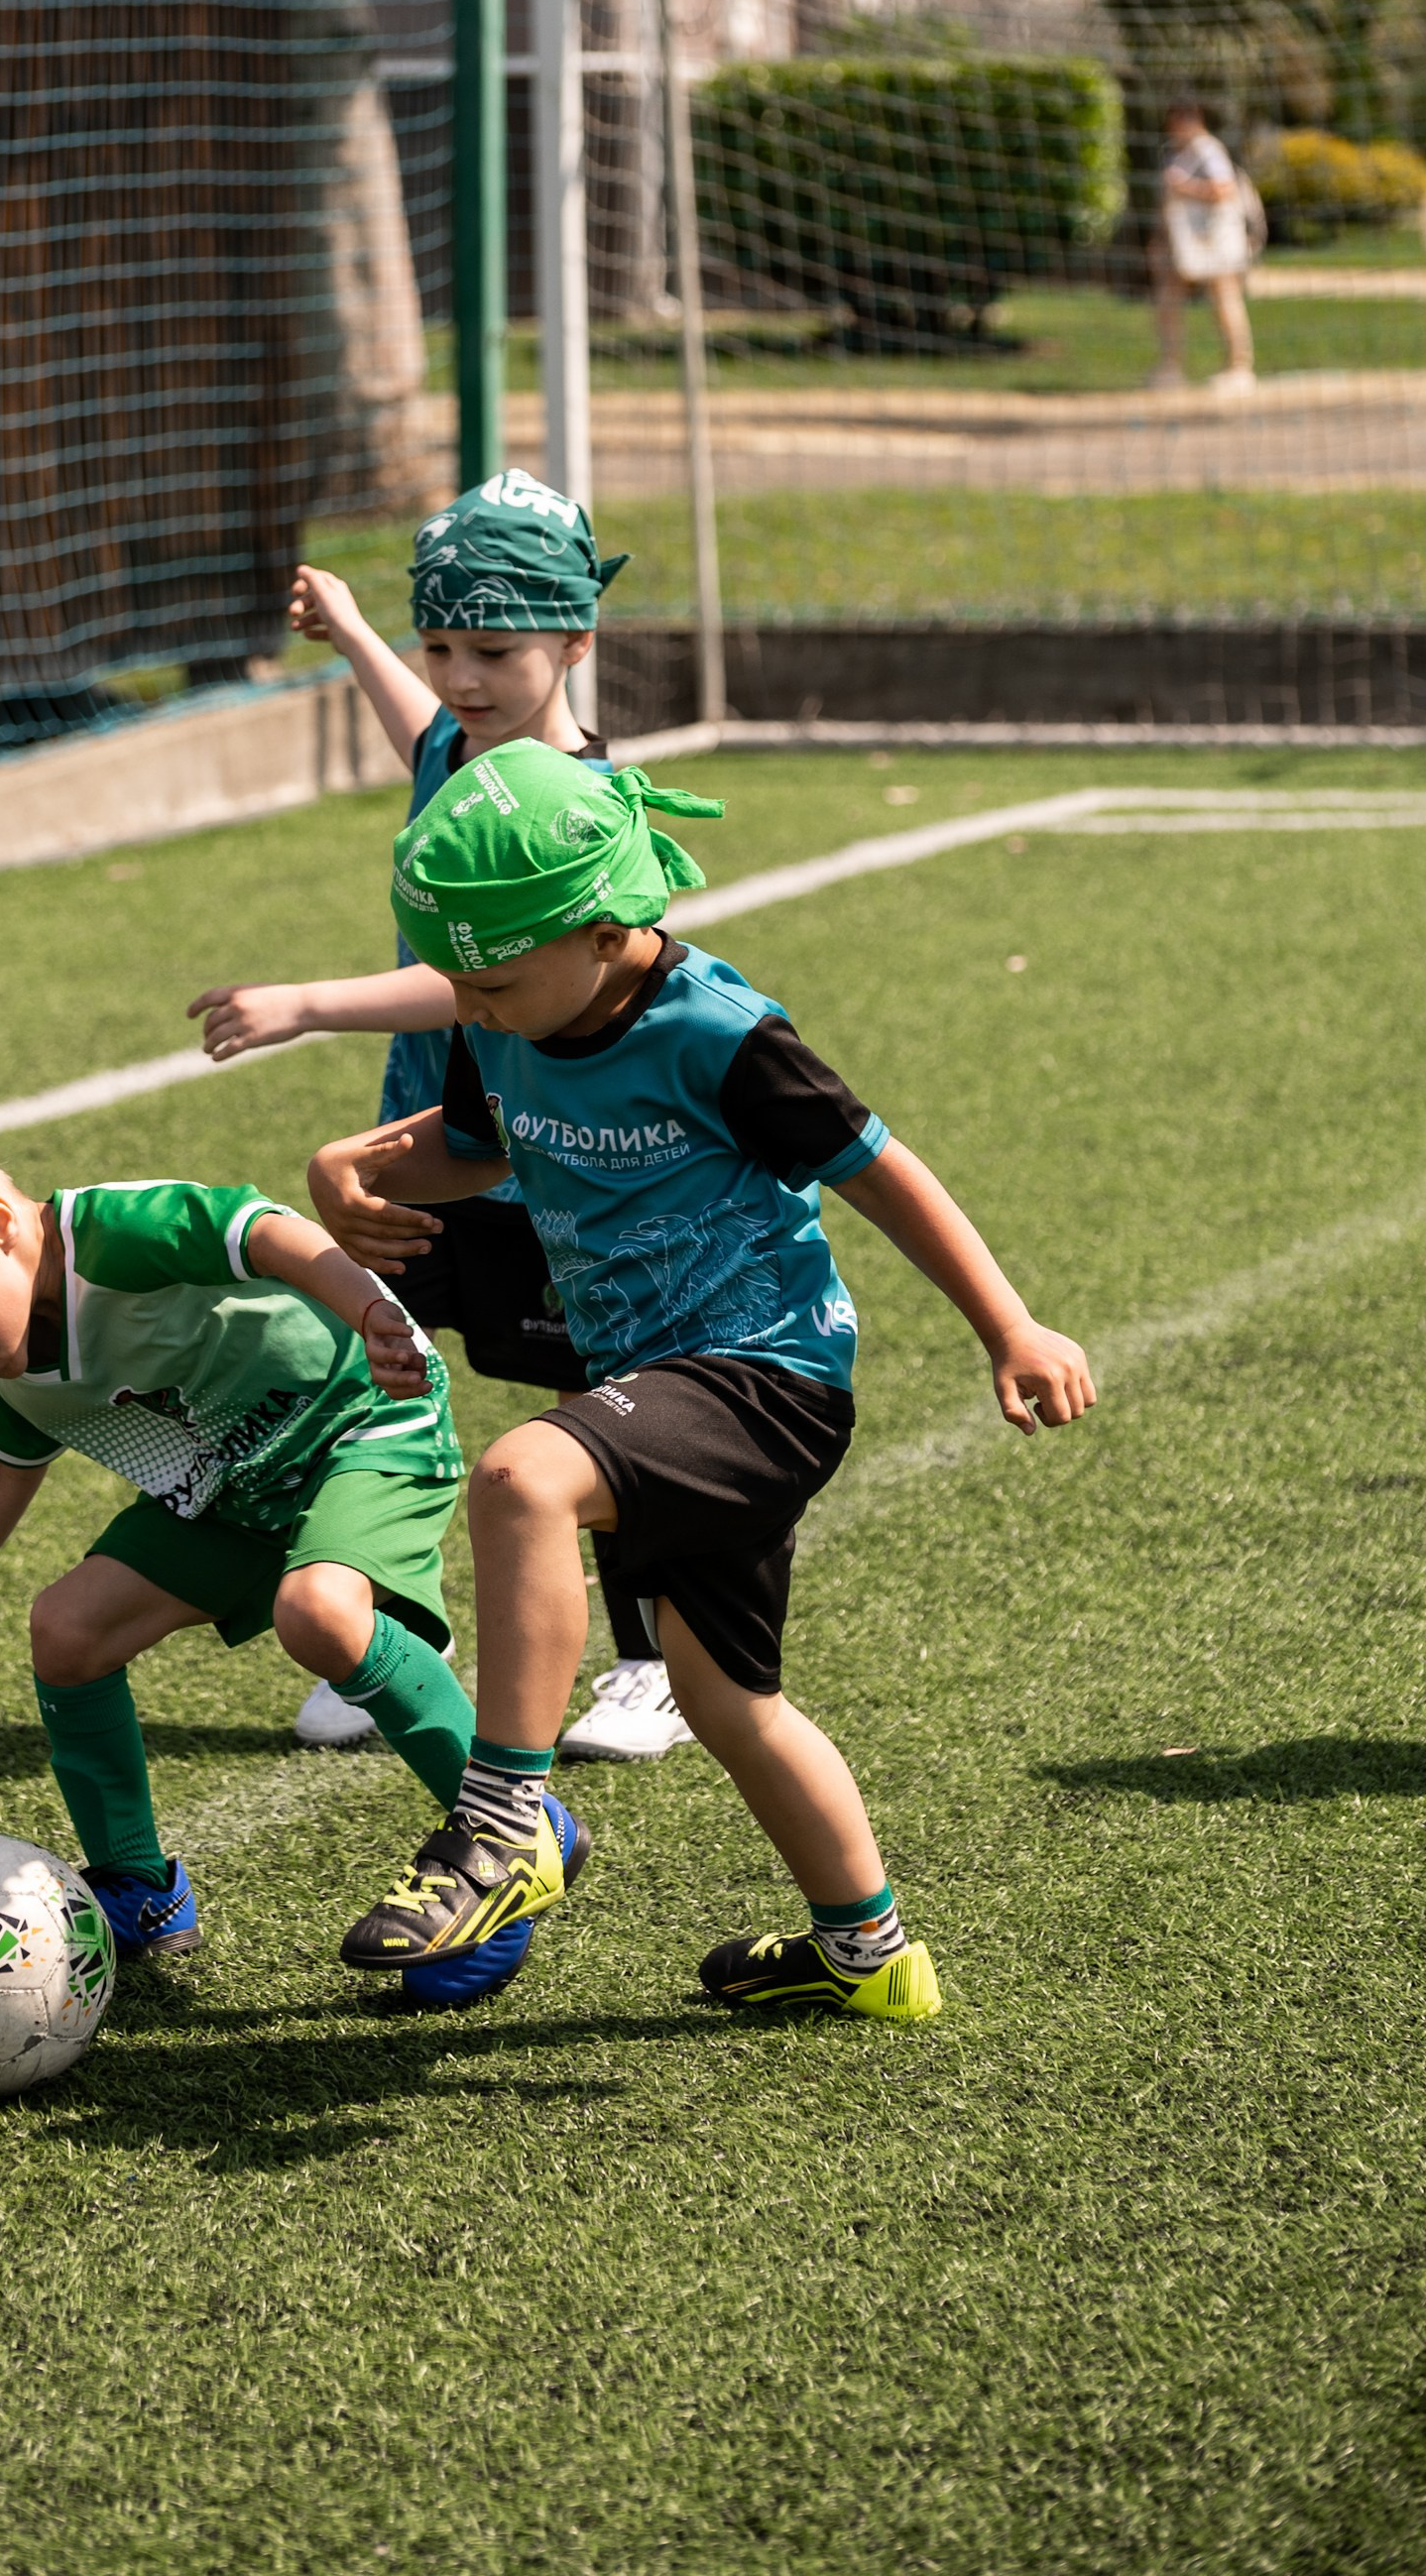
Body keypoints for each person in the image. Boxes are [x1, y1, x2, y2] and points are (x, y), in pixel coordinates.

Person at [306, 745, 1096, 2019]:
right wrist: (353, 1166)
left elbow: (880, 1168)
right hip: (652, 1387)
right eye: (461, 982)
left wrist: (1011, 1325)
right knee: (729, 1699)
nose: (476, 1006)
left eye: (495, 980)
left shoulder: (719, 1035)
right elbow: (467, 1148)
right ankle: (870, 1958)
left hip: (763, 1378)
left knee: (524, 1476)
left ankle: (504, 1823)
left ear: (607, 928)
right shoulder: (499, 1011)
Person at [187, 468, 696, 1770]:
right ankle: (395, 1643)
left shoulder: (573, 798)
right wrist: (359, 632)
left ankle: (655, 1663)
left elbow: (477, 978)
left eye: (497, 649)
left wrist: (306, 1001)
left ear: (576, 640)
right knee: (381, 1380)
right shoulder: (454, 744)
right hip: (429, 1146)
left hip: (554, 1162)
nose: (464, 678)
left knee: (604, 1402)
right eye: (444, 645)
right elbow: (419, 727)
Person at [0, 1110, 542, 1973]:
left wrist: (369, 1308)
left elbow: (263, 1233)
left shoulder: (106, 1235)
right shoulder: (8, 1360)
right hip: (238, 1496)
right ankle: (139, 1891)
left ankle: (507, 1833)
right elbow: (5, 1466)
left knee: (320, 1614)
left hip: (362, 1425)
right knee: (66, 1632)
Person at [1150, 97, 1257, 396]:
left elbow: (1225, 189)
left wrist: (1185, 187)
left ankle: (1239, 368)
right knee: (1169, 300)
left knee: (1225, 297)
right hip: (1186, 242)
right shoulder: (1174, 151)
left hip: (1215, 240)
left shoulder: (1207, 149)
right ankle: (1170, 367)